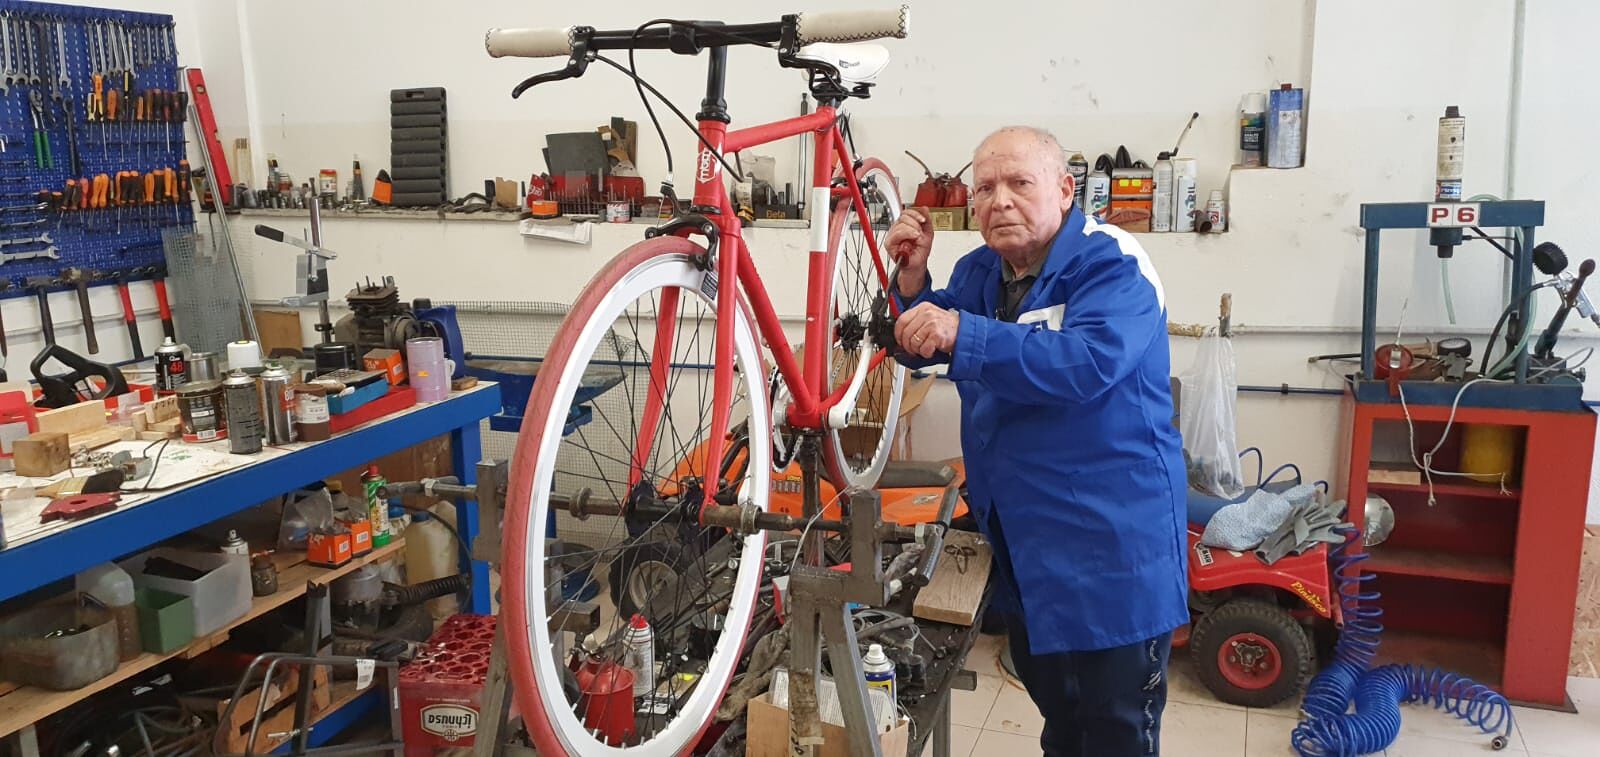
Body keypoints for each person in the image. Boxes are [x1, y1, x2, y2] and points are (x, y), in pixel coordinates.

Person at [886, 126, 1187, 756]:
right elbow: (919, 345)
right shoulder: (977, 274)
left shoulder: (1112, 262)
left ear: (1064, 189)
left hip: (1112, 553)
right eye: (985, 188)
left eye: (1019, 183)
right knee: (1061, 718)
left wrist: (958, 333)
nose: (1000, 201)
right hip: (1027, 548)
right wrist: (913, 285)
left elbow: (1087, 362)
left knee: (1118, 728)